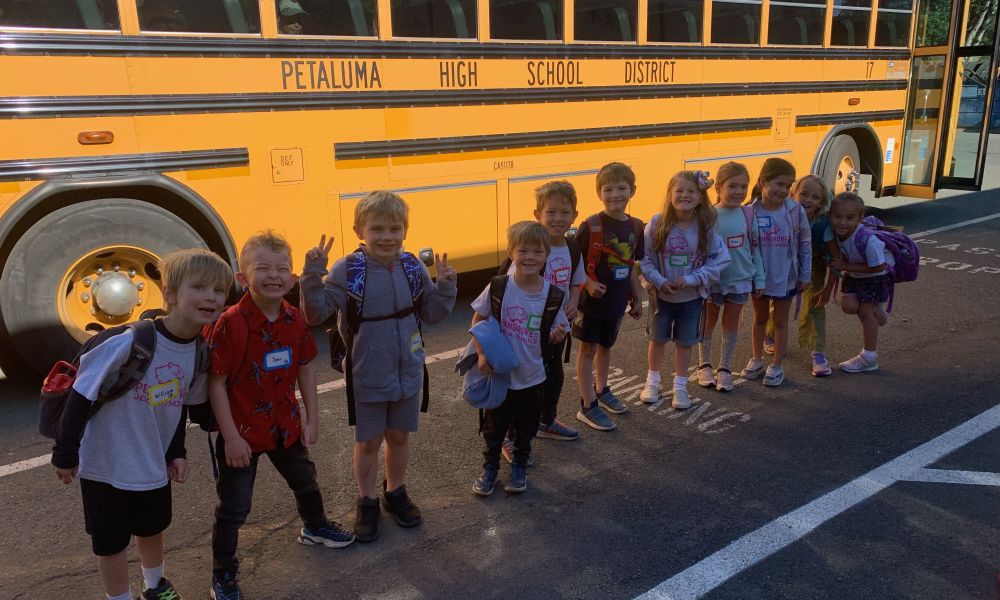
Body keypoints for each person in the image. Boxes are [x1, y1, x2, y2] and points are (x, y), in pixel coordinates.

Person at [52, 249, 232, 600]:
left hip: (151, 460)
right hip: (105, 465)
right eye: (199, 287)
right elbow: (80, 395)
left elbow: (180, 407)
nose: (211, 296)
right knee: (110, 542)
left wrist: (176, 451)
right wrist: (65, 452)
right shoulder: (130, 340)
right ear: (169, 295)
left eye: (219, 290)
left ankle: (156, 586)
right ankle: (120, 597)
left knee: (152, 528)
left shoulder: (198, 351)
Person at [300, 191, 457, 543]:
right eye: (377, 229)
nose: (387, 236)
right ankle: (368, 500)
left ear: (405, 230)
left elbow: (431, 314)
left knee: (399, 436)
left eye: (394, 228)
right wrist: (312, 275)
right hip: (368, 372)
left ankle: (395, 491)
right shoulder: (347, 270)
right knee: (369, 441)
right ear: (360, 230)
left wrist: (446, 288)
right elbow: (314, 314)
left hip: (408, 370)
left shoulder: (413, 267)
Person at [207, 231, 355, 600]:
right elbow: (216, 384)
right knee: (234, 507)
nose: (273, 276)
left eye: (282, 269)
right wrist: (231, 437)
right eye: (262, 268)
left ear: (292, 278)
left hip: (285, 426)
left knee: (305, 480)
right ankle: (223, 573)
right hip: (242, 433)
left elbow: (306, 370)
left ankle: (315, 527)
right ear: (243, 278)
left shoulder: (294, 319)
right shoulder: (230, 324)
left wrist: (312, 419)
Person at [471, 221, 570, 495]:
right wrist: (481, 354)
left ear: (547, 255)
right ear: (511, 252)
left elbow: (558, 328)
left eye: (537, 252)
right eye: (523, 250)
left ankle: (519, 465)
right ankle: (490, 468)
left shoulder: (553, 294)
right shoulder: (499, 287)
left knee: (526, 427)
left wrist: (558, 334)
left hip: (533, 375)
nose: (529, 257)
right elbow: (478, 319)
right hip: (500, 374)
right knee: (494, 426)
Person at [501, 181, 584, 459]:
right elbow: (510, 290)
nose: (558, 219)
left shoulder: (572, 249)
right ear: (537, 214)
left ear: (575, 214)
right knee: (520, 383)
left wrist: (573, 304)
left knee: (553, 375)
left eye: (564, 212)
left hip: (557, 327)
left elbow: (575, 282)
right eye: (551, 212)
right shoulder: (529, 251)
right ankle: (508, 435)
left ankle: (546, 421)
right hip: (526, 329)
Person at [639, 170, 730, 408]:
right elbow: (644, 259)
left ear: (700, 198)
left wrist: (692, 279)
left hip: (691, 299)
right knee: (657, 340)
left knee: (685, 343)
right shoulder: (657, 223)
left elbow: (720, 260)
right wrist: (658, 281)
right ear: (670, 195)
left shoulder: (705, 228)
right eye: (679, 191)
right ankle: (653, 382)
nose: (684, 196)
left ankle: (680, 387)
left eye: (691, 191)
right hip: (662, 297)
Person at [572, 162, 645, 431]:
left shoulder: (636, 227)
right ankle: (587, 404)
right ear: (599, 193)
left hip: (615, 301)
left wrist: (636, 297)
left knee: (606, 346)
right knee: (588, 349)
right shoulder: (591, 226)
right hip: (590, 304)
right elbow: (573, 264)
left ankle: (602, 390)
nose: (615, 194)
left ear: (632, 191)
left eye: (621, 188)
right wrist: (589, 283)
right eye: (608, 189)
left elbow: (631, 266)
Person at [742, 157, 811, 387]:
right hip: (759, 278)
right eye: (779, 184)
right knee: (760, 318)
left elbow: (805, 243)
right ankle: (756, 359)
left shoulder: (794, 211)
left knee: (780, 321)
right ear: (763, 181)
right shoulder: (750, 212)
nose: (784, 190)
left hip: (787, 276)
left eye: (788, 185)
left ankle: (777, 364)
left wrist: (805, 274)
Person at [697, 162, 765, 392]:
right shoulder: (709, 214)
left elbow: (756, 248)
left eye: (743, 186)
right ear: (718, 187)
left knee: (731, 324)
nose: (738, 191)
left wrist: (760, 279)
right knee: (708, 322)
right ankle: (704, 364)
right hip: (713, 280)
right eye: (732, 186)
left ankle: (724, 367)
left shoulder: (748, 213)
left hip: (740, 279)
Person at [765, 175, 839, 377]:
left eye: (815, 197)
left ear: (822, 203)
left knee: (814, 305)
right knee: (778, 299)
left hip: (815, 262)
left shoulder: (823, 226)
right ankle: (770, 333)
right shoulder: (783, 214)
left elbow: (835, 259)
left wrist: (827, 289)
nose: (808, 199)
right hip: (786, 261)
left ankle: (817, 351)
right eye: (804, 194)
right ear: (793, 194)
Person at [826, 192, 893, 373]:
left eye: (850, 218)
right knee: (848, 306)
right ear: (830, 215)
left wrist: (844, 265)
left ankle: (869, 357)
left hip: (875, 277)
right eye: (837, 217)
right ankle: (877, 308)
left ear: (860, 218)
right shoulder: (833, 233)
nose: (842, 222)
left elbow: (878, 267)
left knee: (864, 313)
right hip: (854, 275)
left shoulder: (867, 240)